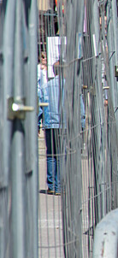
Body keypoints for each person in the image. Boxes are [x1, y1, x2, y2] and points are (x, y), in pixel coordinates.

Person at [38, 60, 63, 194]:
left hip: (49, 125)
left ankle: (52, 186)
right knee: (61, 155)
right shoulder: (68, 87)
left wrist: (38, 124)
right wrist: (81, 124)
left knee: (50, 154)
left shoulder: (45, 87)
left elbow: (40, 108)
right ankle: (59, 186)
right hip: (63, 125)